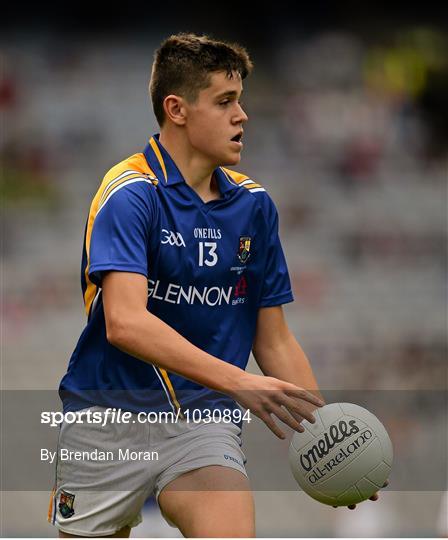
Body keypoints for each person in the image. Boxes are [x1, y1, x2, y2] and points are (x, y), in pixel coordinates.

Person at [48, 33, 378, 538]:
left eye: (239, 100)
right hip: (105, 418)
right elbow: (125, 323)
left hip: (202, 422)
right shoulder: (130, 194)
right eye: (225, 102)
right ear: (177, 109)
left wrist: (327, 436)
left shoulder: (254, 206)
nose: (242, 115)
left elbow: (274, 340)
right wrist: (241, 382)